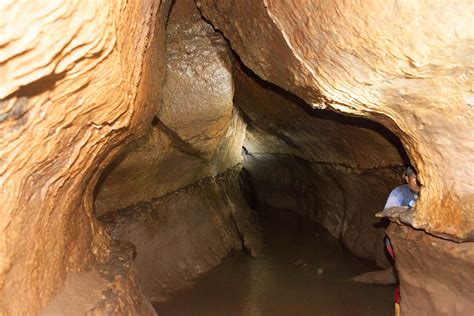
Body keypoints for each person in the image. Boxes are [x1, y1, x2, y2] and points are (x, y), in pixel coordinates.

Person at [380, 165, 420, 316]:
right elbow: (389, 210)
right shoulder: (399, 192)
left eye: (419, 177)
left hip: (417, 246)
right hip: (397, 244)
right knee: (406, 280)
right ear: (406, 178)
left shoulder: (429, 193)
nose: (417, 181)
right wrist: (410, 214)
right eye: (414, 177)